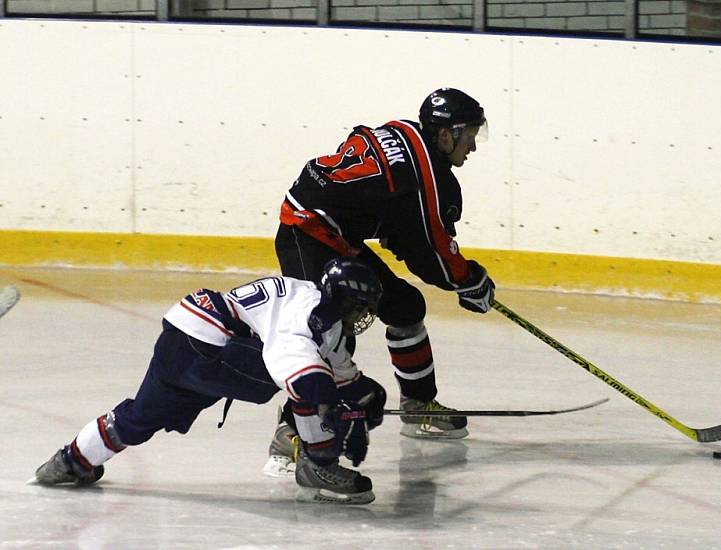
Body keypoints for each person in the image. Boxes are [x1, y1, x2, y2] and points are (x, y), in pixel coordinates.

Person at [264, 88, 496, 477]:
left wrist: (391, 228)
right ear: (445, 135)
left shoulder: (405, 132)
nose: (473, 145)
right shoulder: (426, 177)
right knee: (328, 331)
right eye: (469, 134)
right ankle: (290, 439)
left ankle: (419, 406)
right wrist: (470, 282)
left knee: (405, 306)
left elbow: (379, 201)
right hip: (306, 234)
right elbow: (432, 255)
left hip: (332, 232)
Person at [33, 258, 386, 505]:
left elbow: (340, 371)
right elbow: (301, 371)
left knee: (139, 418)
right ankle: (318, 466)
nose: (364, 316)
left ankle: (72, 461)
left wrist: (369, 396)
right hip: (209, 349)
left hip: (184, 333)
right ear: (342, 301)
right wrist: (337, 415)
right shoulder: (310, 315)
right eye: (361, 307)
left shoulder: (312, 303)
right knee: (303, 381)